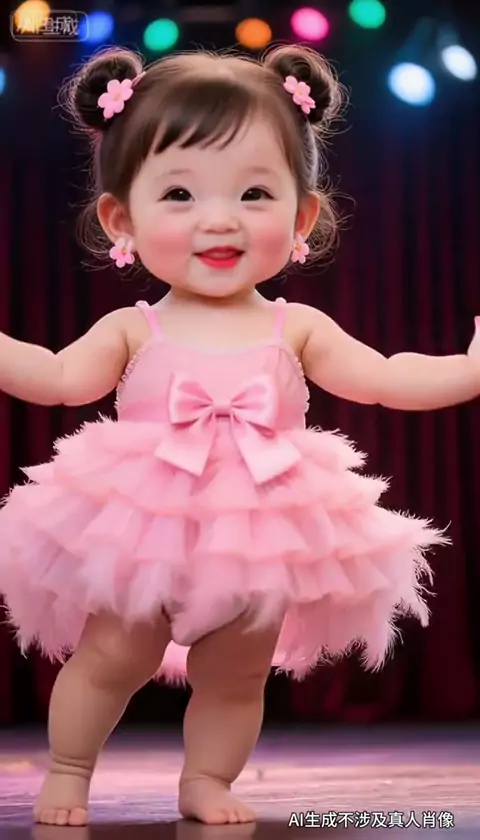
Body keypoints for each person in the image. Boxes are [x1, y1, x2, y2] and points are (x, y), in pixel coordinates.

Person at [0, 43, 479, 828]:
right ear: (122, 219)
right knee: (114, 653)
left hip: (263, 523)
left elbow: (387, 376)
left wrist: (469, 370)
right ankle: (69, 768)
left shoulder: (296, 326)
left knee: (237, 671)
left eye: (254, 193)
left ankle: (208, 778)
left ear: (301, 217)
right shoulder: (135, 326)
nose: (219, 219)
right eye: (179, 194)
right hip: (145, 520)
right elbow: (56, 375)